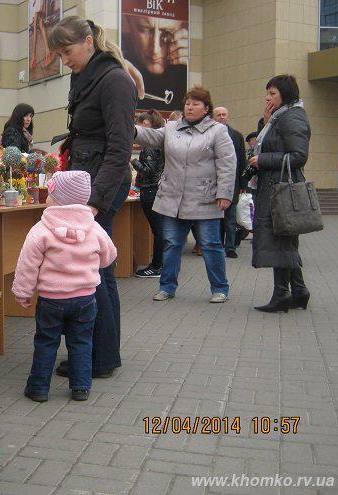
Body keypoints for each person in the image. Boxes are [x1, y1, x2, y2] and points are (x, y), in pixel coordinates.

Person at [48, 16, 137, 379]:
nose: (64, 59)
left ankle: (99, 357)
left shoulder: (114, 80)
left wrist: (95, 199)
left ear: (88, 41)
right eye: (59, 54)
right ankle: (97, 353)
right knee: (94, 268)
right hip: (90, 178)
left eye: (67, 51)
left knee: (96, 269)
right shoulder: (87, 76)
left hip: (101, 183)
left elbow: (120, 147)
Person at [12, 171, 117, 402]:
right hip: (86, 298)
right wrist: (90, 263)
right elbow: (109, 255)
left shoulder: (41, 229)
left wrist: (23, 292)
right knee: (81, 341)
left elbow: (27, 264)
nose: (47, 198)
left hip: (51, 299)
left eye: (50, 194)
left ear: (58, 199)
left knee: (46, 342)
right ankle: (81, 386)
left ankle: (38, 387)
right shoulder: (94, 227)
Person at [134, 86, 236, 303]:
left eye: (196, 103)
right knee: (171, 243)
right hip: (173, 198)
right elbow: (150, 136)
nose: (190, 107)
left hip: (205, 198)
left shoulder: (218, 131)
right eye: (187, 103)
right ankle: (167, 287)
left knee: (210, 244)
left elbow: (227, 163)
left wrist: (225, 193)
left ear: (206, 108)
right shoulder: (171, 127)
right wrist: (131, 130)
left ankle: (220, 288)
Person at [249, 75, 311, 313]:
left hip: (282, 190)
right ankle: (299, 290)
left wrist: (263, 160)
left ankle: (281, 295)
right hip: (276, 186)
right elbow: (270, 143)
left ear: (286, 94)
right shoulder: (279, 117)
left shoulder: (292, 117)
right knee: (284, 240)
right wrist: (265, 123)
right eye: (267, 93)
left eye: (272, 93)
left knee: (280, 241)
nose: (268, 98)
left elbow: (298, 156)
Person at [121, 15, 188, 111]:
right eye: (144, 29)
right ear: (128, 22)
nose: (155, 50)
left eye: (167, 32)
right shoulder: (119, 64)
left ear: (182, 27)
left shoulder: (184, 69)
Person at [131, 110, 165, 277]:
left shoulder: (150, 146)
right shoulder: (159, 143)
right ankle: (161, 264)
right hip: (155, 190)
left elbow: (149, 171)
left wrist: (132, 161)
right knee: (161, 230)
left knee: (158, 230)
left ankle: (157, 266)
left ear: (145, 124)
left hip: (150, 190)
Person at [213, 106, 247, 258]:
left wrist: (243, 184)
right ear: (214, 117)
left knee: (231, 217)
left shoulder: (237, 136)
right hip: (214, 183)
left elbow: (241, 161)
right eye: (218, 115)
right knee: (216, 217)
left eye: (224, 114)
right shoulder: (210, 134)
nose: (221, 117)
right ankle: (218, 244)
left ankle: (230, 247)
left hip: (233, 184)